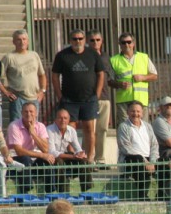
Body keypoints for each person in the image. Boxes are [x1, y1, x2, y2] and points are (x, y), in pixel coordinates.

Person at [51, 29, 105, 163]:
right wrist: (59, 96)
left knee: (89, 128)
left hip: (89, 99)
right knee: (69, 128)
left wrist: (97, 95)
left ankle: (90, 158)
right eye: (75, 39)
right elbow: (55, 76)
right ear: (70, 41)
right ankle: (71, 157)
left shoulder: (92, 54)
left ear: (84, 40)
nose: (78, 41)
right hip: (69, 100)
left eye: (80, 38)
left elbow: (101, 74)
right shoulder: (62, 55)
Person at [109, 32, 158, 122]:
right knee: (124, 127)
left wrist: (143, 78)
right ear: (119, 44)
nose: (126, 44)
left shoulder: (144, 57)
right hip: (123, 101)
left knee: (142, 127)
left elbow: (154, 75)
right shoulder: (113, 60)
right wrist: (119, 84)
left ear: (133, 43)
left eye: (129, 42)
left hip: (141, 100)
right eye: (123, 42)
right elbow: (109, 81)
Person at [1, 29, 47, 123]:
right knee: (17, 126)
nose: (22, 42)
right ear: (13, 42)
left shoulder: (34, 55)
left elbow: (42, 75)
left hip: (34, 98)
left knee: (33, 126)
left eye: (24, 39)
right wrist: (6, 92)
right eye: (18, 39)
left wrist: (42, 91)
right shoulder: (9, 57)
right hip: (18, 99)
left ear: (28, 41)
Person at [7, 101, 53, 194]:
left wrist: (33, 133)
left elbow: (45, 149)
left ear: (36, 113)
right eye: (26, 112)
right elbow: (19, 151)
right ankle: (27, 190)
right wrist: (41, 155)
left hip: (32, 158)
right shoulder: (14, 126)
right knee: (26, 159)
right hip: (14, 159)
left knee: (47, 161)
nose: (28, 114)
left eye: (31, 111)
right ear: (21, 113)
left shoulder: (40, 126)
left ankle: (49, 192)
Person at [117, 101, 160, 200]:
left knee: (165, 163)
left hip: (149, 160)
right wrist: (144, 161)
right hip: (132, 160)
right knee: (138, 159)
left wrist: (152, 162)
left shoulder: (148, 126)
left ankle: (162, 195)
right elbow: (125, 148)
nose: (135, 114)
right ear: (127, 112)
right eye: (133, 111)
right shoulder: (123, 127)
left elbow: (154, 145)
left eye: (138, 111)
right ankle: (142, 196)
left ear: (142, 113)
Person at [85, 30, 115, 165]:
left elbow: (109, 78)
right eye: (92, 40)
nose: (95, 42)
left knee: (102, 129)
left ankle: (100, 159)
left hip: (104, 98)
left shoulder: (106, 57)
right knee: (90, 130)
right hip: (89, 99)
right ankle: (88, 158)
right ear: (87, 42)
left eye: (97, 40)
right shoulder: (84, 56)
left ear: (102, 41)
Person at [47, 108, 90, 193]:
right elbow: (52, 152)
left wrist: (81, 154)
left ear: (69, 120)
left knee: (84, 161)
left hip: (65, 156)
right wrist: (73, 156)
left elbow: (78, 148)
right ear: (55, 119)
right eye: (60, 118)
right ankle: (62, 192)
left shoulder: (71, 130)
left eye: (65, 118)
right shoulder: (49, 130)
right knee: (59, 161)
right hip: (51, 158)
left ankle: (86, 191)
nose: (63, 120)